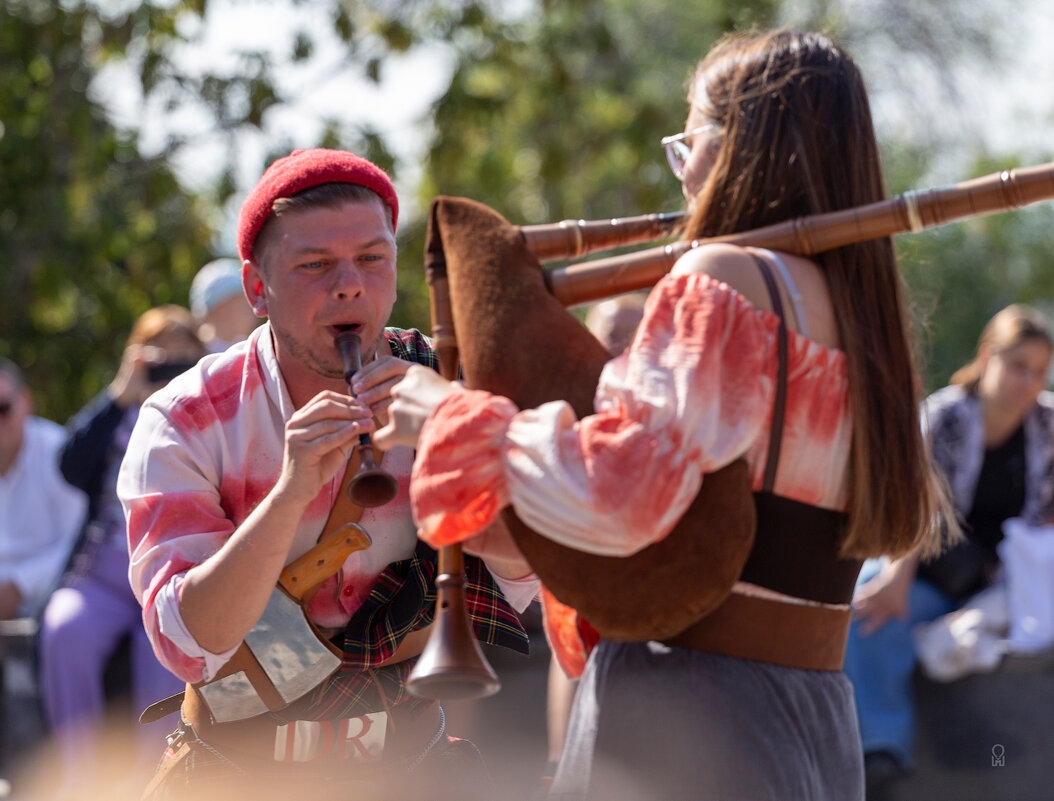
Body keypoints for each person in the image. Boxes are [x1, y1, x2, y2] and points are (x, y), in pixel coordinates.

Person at [374, 29, 951, 801]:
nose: (684, 174)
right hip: (816, 713)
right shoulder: (865, 314)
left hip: (689, 713)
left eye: (691, 142)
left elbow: (621, 494)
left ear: (743, 145)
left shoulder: (724, 276)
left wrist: (452, 411)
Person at [117, 148, 538, 801]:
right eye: (315, 265)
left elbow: (519, 577)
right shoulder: (185, 419)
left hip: (412, 766)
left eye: (372, 258)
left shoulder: (444, 385)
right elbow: (190, 645)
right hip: (239, 776)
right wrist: (289, 493)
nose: (349, 285)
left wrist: (452, 446)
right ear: (258, 289)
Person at [844, 303, 1054, 790]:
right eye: (1018, 366)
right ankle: (882, 750)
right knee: (868, 608)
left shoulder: (1048, 428)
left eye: (1039, 372)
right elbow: (907, 509)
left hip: (1010, 584)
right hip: (933, 574)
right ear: (987, 356)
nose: (1028, 383)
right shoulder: (943, 417)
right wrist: (897, 576)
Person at [38, 305, 206, 797]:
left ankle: (158, 783)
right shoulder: (121, 408)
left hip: (172, 570)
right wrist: (118, 394)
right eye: (160, 357)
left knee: (164, 657)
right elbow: (68, 466)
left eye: (182, 356)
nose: (170, 366)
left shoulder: (211, 407)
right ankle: (79, 783)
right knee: (62, 628)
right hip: (104, 575)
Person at [0, 358, 87, 621]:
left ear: (25, 401)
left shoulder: (59, 453)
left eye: (3, 408)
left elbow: (78, 544)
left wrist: (19, 586)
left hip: (50, 603)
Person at [189, 257, 260, 352]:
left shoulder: (256, 349)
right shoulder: (190, 353)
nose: (253, 308)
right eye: (243, 303)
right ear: (221, 310)